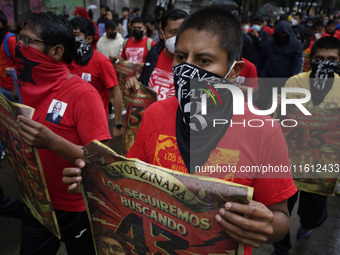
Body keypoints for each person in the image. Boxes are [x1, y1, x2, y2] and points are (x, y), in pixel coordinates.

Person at [63, 7, 297, 255]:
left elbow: (280, 217)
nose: (187, 69)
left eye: (204, 60)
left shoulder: (264, 131)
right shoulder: (154, 114)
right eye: (181, 57)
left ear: (234, 71)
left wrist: (265, 226)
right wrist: (98, 181)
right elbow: (132, 184)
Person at [7, 12, 111, 254]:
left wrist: (52, 142)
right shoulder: (24, 87)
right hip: (36, 204)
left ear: (56, 52)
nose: (19, 48)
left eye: (27, 42)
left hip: (76, 209)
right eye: (19, 40)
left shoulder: (83, 94)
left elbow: (103, 161)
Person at [272, 36, 340, 255]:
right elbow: (281, 117)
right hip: (290, 160)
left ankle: (308, 226)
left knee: (313, 215)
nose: (325, 63)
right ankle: (281, 249)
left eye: (331, 59)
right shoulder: (295, 82)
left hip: (322, 166)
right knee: (280, 210)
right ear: (312, 58)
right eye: (320, 58)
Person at [69, 17, 123, 136]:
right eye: (70, 34)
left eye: (76, 34)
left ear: (88, 39)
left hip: (96, 124)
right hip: (72, 123)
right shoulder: (67, 60)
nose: (71, 39)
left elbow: (116, 93)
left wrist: (118, 124)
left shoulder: (102, 62)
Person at [125, 9, 188, 100]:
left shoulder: (197, 64)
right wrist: (134, 83)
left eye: (182, 32)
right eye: (172, 32)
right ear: (161, 34)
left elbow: (203, 109)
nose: (177, 37)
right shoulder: (153, 54)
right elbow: (143, 84)